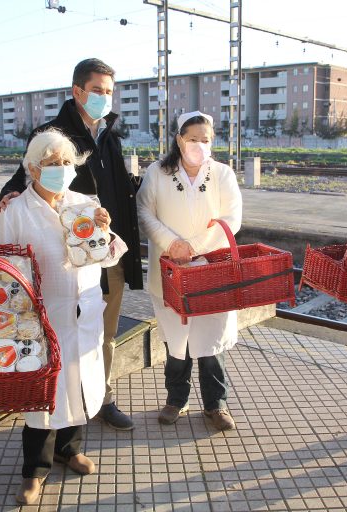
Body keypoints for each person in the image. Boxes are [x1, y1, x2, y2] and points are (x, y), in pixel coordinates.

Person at [0, 58, 142, 431]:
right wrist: (9, 196)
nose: (104, 98)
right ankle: (54, 414)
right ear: (77, 91)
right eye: (97, 90)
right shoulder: (54, 132)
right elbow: (23, 174)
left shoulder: (108, 132)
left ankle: (101, 397)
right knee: (62, 336)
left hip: (104, 247)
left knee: (102, 332)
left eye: (109, 91)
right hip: (68, 256)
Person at [0, 129, 127, 505]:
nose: (62, 170)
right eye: (52, 164)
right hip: (40, 320)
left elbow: (109, 254)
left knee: (79, 382)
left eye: (67, 163)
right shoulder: (14, 212)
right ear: (33, 168)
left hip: (84, 311)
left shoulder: (85, 204)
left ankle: (71, 449)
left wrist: (104, 229)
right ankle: (35, 469)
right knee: (43, 395)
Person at [136, 111, 243, 431]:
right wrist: (171, 243)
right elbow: (144, 211)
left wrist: (193, 247)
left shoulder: (222, 174)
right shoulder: (157, 172)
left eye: (206, 140)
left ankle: (216, 404)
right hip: (169, 269)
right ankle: (175, 400)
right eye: (193, 138)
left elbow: (232, 219)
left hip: (211, 271)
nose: (199, 145)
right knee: (176, 341)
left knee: (211, 342)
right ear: (179, 139)